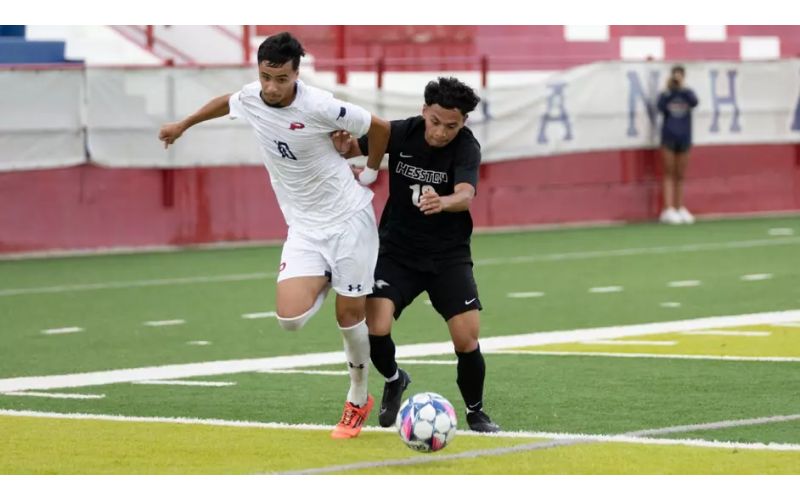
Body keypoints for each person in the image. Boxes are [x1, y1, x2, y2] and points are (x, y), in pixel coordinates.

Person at [158, 32, 390, 439]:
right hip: (304, 229)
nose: (271, 87)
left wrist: (370, 172)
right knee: (290, 320)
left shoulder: (319, 105)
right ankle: (331, 278)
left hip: (348, 220)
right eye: (266, 77)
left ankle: (358, 396)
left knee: (348, 318)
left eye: (281, 79)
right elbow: (227, 101)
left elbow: (380, 127)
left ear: (296, 74)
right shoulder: (252, 97)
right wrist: (183, 125)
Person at [333, 77, 500, 433]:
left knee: (466, 338)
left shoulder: (467, 147)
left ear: (464, 123)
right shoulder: (402, 132)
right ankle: (394, 378)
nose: (440, 132)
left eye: (451, 126)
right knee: (375, 328)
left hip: (448, 256)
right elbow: (352, 149)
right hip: (396, 251)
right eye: (435, 122)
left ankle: (476, 412)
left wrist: (444, 202)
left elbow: (466, 194)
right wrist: (345, 146)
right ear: (424, 111)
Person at [657, 64, 699, 225]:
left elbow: (695, 102)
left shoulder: (687, 94)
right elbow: (660, 107)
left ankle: (679, 206)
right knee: (669, 172)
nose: (677, 77)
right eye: (675, 74)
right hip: (668, 137)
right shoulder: (666, 94)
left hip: (684, 138)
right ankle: (668, 209)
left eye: (680, 74)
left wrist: (683, 88)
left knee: (680, 175)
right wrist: (669, 89)